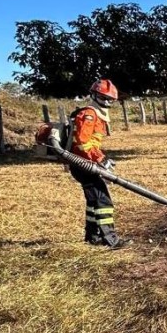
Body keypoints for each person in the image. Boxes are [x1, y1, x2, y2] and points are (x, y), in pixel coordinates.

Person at [69, 79, 127, 248]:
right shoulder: (89, 114)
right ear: (94, 95)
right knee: (103, 202)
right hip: (82, 164)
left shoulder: (96, 114)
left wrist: (100, 159)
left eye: (110, 100)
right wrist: (100, 159)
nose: (107, 102)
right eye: (103, 98)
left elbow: (90, 144)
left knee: (94, 200)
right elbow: (82, 143)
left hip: (84, 163)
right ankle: (111, 239)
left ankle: (92, 237)